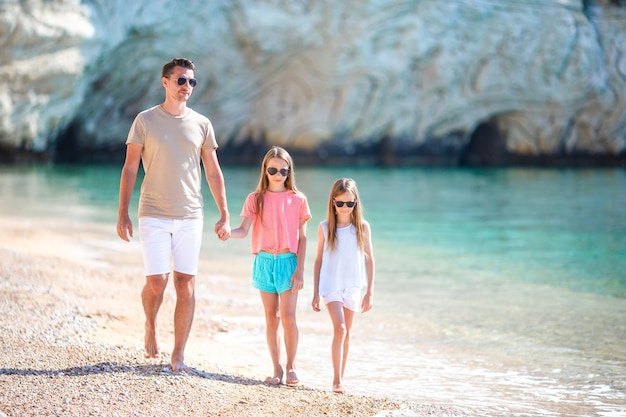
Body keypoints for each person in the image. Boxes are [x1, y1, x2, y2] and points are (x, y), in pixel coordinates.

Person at [116, 57, 230, 373]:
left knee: (185, 284)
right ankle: (150, 325)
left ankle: (178, 354)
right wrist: (122, 212)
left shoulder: (202, 124)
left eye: (192, 82)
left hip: (191, 215)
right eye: (181, 80)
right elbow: (129, 168)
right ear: (165, 82)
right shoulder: (144, 121)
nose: (187, 87)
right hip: (152, 212)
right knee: (157, 283)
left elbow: (213, 171)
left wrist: (224, 213)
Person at [229, 146, 311, 386]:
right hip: (264, 262)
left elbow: (303, 238)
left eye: (283, 170)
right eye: (273, 169)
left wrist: (301, 269)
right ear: (265, 170)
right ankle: (276, 369)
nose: (278, 174)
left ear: (289, 172)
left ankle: (292, 367)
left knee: (288, 317)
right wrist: (226, 233)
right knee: (271, 318)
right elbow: (242, 231)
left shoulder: (298, 199)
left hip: (288, 263)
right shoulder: (255, 199)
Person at [311, 178, 375, 394]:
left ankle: (341, 378)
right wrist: (315, 292)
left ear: (356, 203)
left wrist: (370, 293)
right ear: (333, 202)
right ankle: (336, 381)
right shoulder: (325, 227)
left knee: (347, 333)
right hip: (331, 286)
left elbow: (369, 260)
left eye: (350, 203)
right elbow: (318, 260)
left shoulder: (362, 228)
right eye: (341, 203)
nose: (345, 208)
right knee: (339, 328)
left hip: (354, 286)